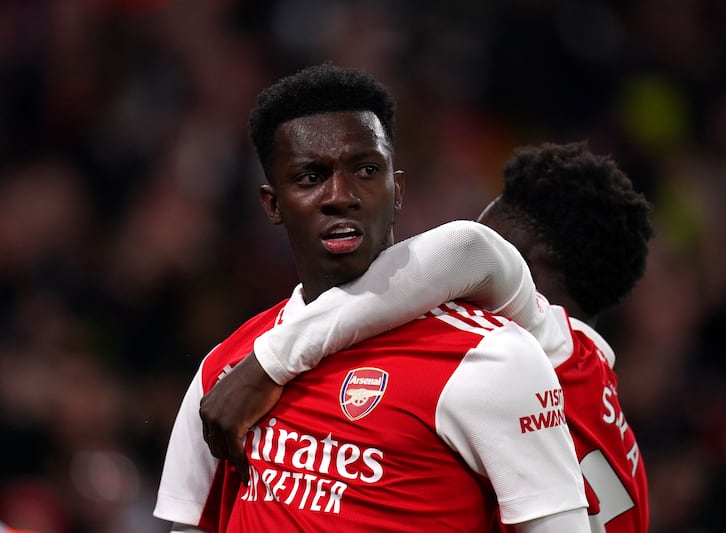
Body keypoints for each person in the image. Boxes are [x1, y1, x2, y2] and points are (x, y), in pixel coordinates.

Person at [153, 64, 590, 532]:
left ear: (396, 190)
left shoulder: (492, 358)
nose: (341, 195)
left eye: (365, 170)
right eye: (309, 177)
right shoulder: (224, 371)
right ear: (272, 204)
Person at [199, 142, 653, 532]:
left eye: (487, 221)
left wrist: (267, 363)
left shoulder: (543, 336)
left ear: (528, 254)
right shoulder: (621, 444)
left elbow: (469, 249)